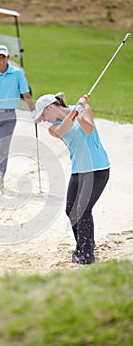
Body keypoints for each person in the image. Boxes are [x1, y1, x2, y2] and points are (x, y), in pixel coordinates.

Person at [34, 92, 110, 264]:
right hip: (79, 171)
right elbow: (64, 129)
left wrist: (80, 113)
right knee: (71, 210)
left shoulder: (84, 110)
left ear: (50, 107)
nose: (44, 120)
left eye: (43, 115)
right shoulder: (54, 128)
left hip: (97, 169)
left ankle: (86, 255)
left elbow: (89, 129)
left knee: (83, 210)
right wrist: (76, 112)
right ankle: (84, 246)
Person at [0, 45, 34, 196]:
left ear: (8, 57)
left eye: (4, 56)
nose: (1, 59)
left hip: (9, 117)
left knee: (2, 149)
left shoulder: (17, 74)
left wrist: (33, 112)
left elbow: (26, 94)